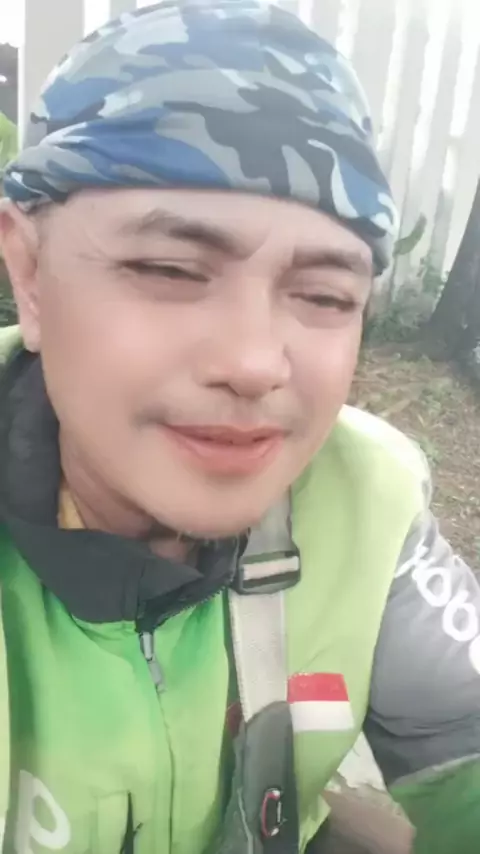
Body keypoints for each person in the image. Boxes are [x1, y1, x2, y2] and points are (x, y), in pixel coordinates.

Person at [0, 2, 478, 852]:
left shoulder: (368, 498)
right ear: (30, 274)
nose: (255, 363)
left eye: (324, 295)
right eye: (170, 268)